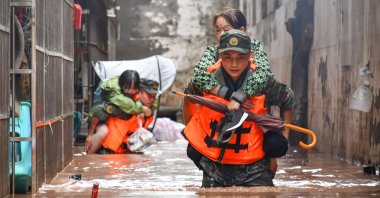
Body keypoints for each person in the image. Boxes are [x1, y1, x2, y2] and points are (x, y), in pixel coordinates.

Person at [183, 29, 294, 187]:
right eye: (228, 58)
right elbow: (188, 98)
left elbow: (288, 100)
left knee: (277, 146)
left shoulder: (263, 83)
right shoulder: (207, 81)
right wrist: (193, 132)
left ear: (250, 56)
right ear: (220, 55)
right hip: (215, 165)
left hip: (255, 167)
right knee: (192, 149)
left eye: (240, 58)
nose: (234, 64)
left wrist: (279, 145)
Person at [185, 8, 274, 122]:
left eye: (226, 30)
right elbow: (199, 76)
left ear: (242, 30)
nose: (221, 34)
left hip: (252, 109)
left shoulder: (255, 47)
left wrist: (240, 96)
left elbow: (263, 74)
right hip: (220, 108)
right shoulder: (213, 51)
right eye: (218, 30)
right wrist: (230, 95)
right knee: (190, 89)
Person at [85, 70, 155, 154]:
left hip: (118, 139)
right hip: (98, 119)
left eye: (133, 89)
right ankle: (87, 155)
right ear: (122, 86)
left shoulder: (137, 102)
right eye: (127, 89)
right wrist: (89, 135)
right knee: (103, 132)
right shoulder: (117, 100)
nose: (130, 92)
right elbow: (97, 112)